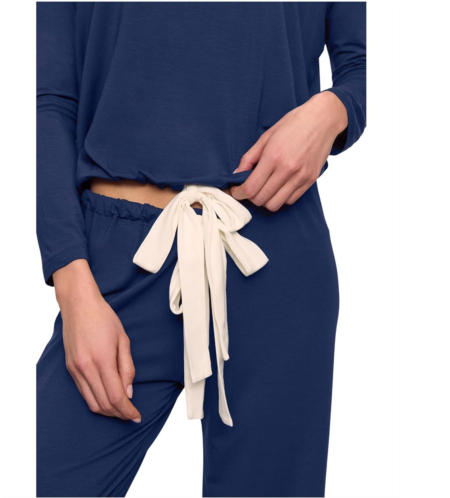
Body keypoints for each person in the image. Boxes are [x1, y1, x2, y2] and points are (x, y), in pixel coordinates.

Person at [36, 2, 366, 497]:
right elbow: (49, 97)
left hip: (271, 260)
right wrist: (72, 286)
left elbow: (367, 63)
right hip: (115, 265)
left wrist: (334, 108)